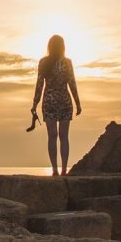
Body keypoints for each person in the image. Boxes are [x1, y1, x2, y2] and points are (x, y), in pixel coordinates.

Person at [31, 34, 81, 175]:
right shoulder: (67, 63)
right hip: (64, 100)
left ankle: (54, 170)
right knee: (64, 136)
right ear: (63, 47)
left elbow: (40, 84)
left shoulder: (43, 62)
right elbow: (72, 84)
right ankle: (64, 169)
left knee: (52, 136)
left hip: (49, 101)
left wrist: (35, 103)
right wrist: (78, 103)